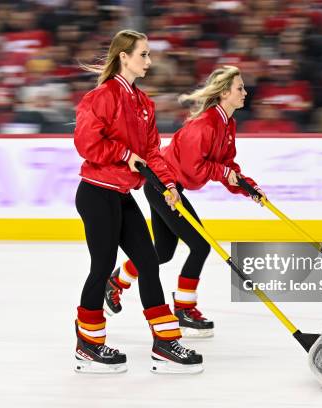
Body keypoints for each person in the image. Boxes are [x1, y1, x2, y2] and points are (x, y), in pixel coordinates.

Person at [73, 29, 203, 374]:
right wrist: (122, 152)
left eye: (148, 54)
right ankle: (88, 342)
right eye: (143, 54)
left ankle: (164, 342)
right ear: (124, 57)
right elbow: (87, 145)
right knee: (102, 267)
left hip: (121, 194)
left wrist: (169, 184)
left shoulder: (144, 104)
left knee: (148, 262)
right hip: (96, 192)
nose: (149, 61)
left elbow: (151, 154)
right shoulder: (100, 97)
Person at [104, 66, 265, 337]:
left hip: (171, 188)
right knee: (200, 246)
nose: (245, 92)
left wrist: (247, 186)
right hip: (163, 187)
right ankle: (184, 308)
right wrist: (224, 172)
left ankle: (116, 282)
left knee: (163, 253)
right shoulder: (204, 124)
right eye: (240, 88)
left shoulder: (228, 124)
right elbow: (194, 168)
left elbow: (225, 166)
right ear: (224, 93)